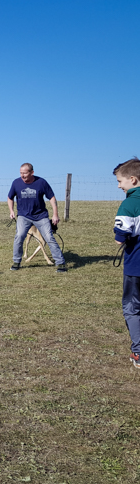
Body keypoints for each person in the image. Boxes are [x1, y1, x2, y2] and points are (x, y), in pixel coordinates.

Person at [7, 163, 67, 272]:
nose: (22, 176)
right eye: (21, 173)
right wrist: (11, 211)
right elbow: (10, 197)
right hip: (23, 216)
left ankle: (60, 263)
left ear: (32, 173)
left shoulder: (41, 182)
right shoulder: (16, 183)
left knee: (49, 237)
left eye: (25, 173)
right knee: (19, 236)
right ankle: (16, 262)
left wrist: (55, 214)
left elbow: (52, 198)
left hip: (41, 216)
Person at [113, 157, 140, 368]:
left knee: (132, 308)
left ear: (133, 179)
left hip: (136, 265)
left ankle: (138, 352)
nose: (120, 186)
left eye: (120, 181)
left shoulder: (129, 204)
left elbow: (120, 236)